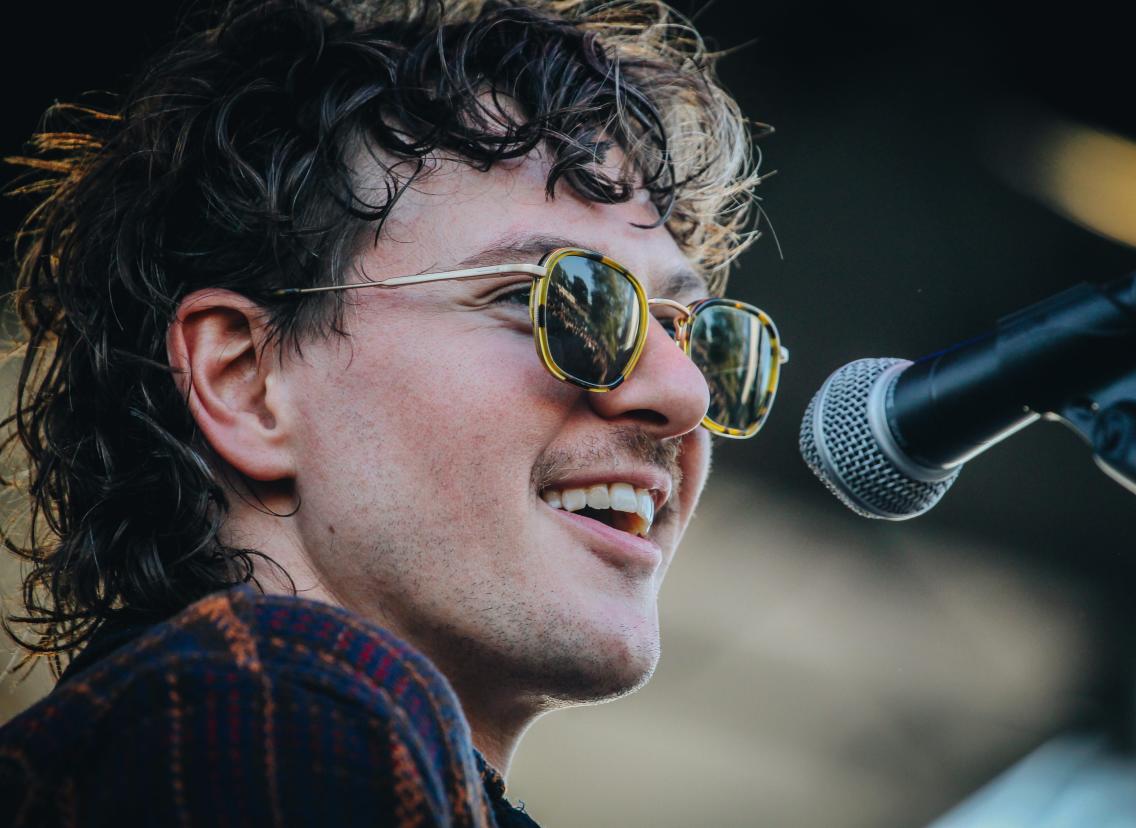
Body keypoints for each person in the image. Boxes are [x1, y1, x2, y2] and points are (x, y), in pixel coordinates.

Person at [0, 0, 783, 824]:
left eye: (682, 330)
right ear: (245, 380)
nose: (682, 392)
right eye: (542, 299)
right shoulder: (263, 704)